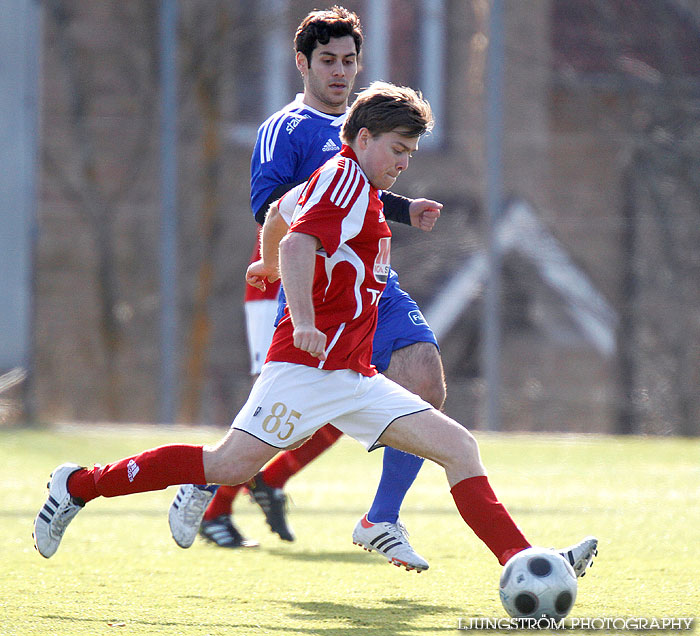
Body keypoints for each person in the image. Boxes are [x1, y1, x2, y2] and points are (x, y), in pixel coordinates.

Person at [33, 82, 598, 588]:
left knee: (459, 447)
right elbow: (298, 242)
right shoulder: (347, 186)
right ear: (364, 136)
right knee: (227, 465)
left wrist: (268, 264)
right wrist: (300, 314)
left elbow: (282, 214)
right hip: (304, 373)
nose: (404, 162)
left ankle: (523, 560)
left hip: (354, 377)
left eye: (411, 153)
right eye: (398, 149)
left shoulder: (350, 183)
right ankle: (78, 484)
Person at [195, 5, 445, 570]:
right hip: (308, 289)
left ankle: (379, 517)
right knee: (287, 413)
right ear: (302, 63)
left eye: (349, 60)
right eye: (327, 60)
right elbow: (274, 209)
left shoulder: (366, 123)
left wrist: (405, 209)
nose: (339, 71)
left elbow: (364, 197)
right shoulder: (285, 128)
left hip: (374, 288)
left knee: (420, 384)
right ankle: (213, 492)